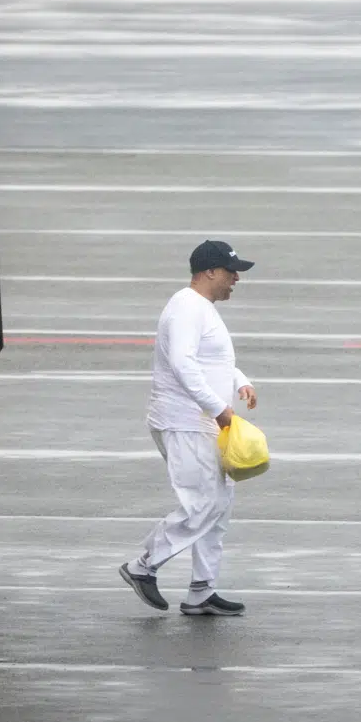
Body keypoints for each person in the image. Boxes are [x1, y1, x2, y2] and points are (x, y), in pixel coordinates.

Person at [119, 239, 258, 616]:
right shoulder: (186, 308)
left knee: (219, 505)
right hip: (186, 422)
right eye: (231, 272)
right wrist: (218, 408)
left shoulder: (201, 308)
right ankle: (143, 566)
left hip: (206, 423)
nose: (236, 280)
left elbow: (212, 359)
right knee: (203, 504)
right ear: (210, 271)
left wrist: (239, 379)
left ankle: (201, 590)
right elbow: (183, 363)